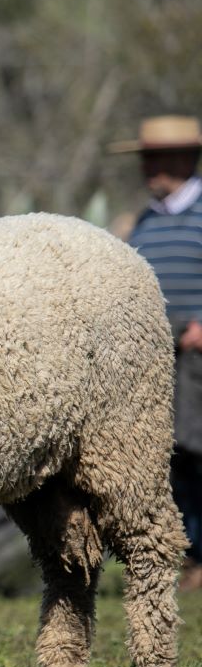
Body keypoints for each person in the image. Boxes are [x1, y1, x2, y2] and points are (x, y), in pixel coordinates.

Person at [113, 115, 202, 591]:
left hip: (198, 356)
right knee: (169, 457)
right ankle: (187, 555)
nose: (150, 168)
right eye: (146, 159)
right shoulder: (144, 222)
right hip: (158, 359)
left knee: (199, 449)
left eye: (159, 158)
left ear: (186, 159)